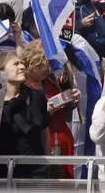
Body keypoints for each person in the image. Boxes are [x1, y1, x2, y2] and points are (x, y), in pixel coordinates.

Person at [21, 41, 80, 178]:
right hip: (43, 144)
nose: (46, 69)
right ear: (31, 62)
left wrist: (71, 102)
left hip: (63, 141)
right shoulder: (23, 86)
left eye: (48, 64)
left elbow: (63, 112)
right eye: (42, 65)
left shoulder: (51, 81)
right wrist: (41, 110)